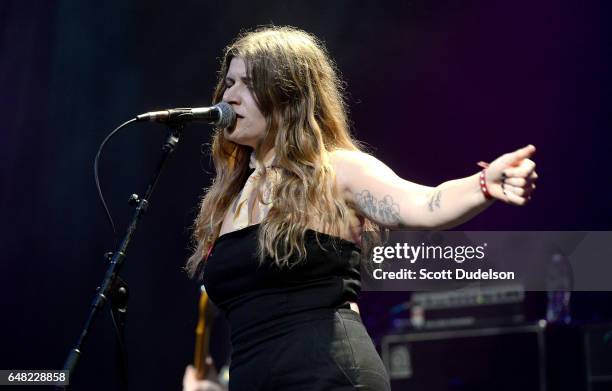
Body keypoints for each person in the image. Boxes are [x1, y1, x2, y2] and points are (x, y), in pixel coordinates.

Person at [182, 26, 538, 391]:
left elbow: (423, 204)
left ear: (289, 95)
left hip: (329, 377)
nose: (231, 96)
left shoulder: (336, 171)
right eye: (229, 82)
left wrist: (484, 185)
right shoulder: (229, 198)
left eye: (248, 83)